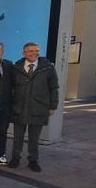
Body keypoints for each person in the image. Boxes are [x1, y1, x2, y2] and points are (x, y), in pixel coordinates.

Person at [9, 42, 59, 172]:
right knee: (17, 137)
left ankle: (33, 161)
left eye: (36, 51)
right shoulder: (16, 68)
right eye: (30, 51)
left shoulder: (47, 68)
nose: (34, 53)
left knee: (34, 138)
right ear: (24, 53)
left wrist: (53, 105)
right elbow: (11, 88)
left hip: (39, 108)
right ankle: (15, 158)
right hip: (19, 108)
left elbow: (54, 88)